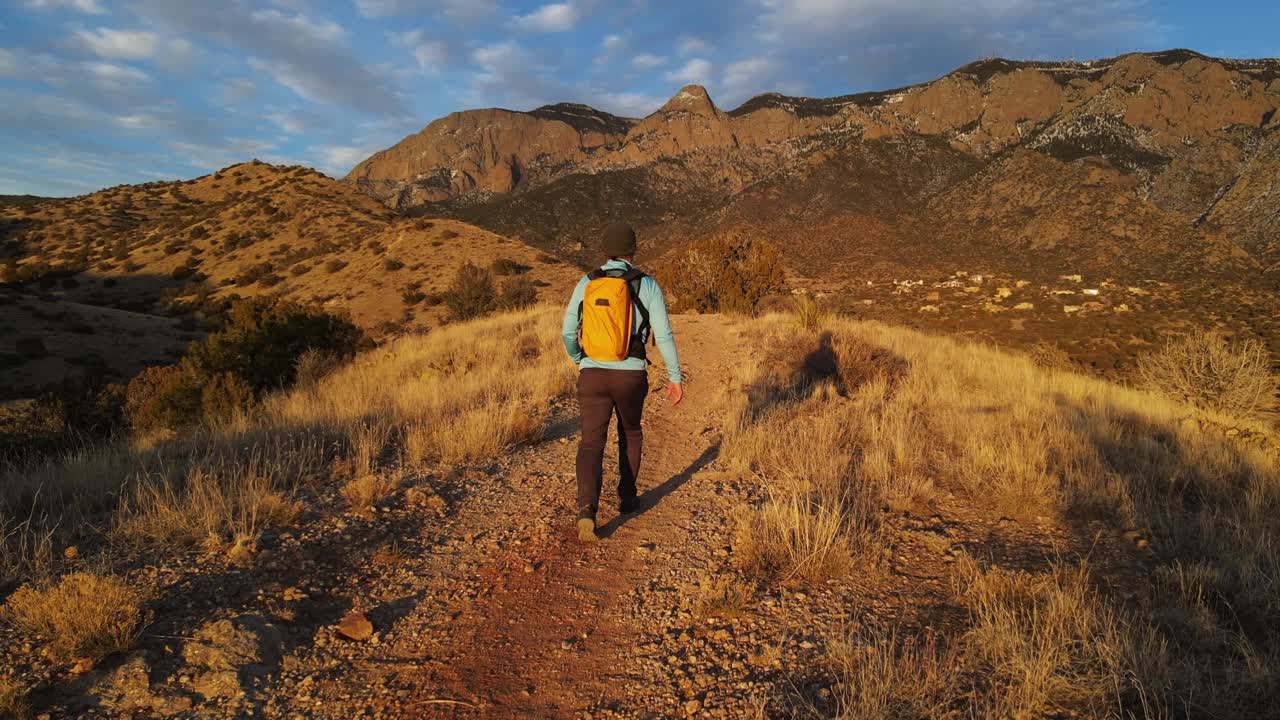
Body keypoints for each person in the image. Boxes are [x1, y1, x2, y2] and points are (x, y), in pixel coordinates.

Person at [561, 222, 683, 543]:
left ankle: (587, 510)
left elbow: (567, 331)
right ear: (633, 250)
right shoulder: (647, 285)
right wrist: (675, 377)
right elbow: (664, 335)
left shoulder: (587, 282)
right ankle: (628, 498)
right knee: (630, 432)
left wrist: (580, 359)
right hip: (630, 374)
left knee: (590, 443)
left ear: (605, 250)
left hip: (592, 374)